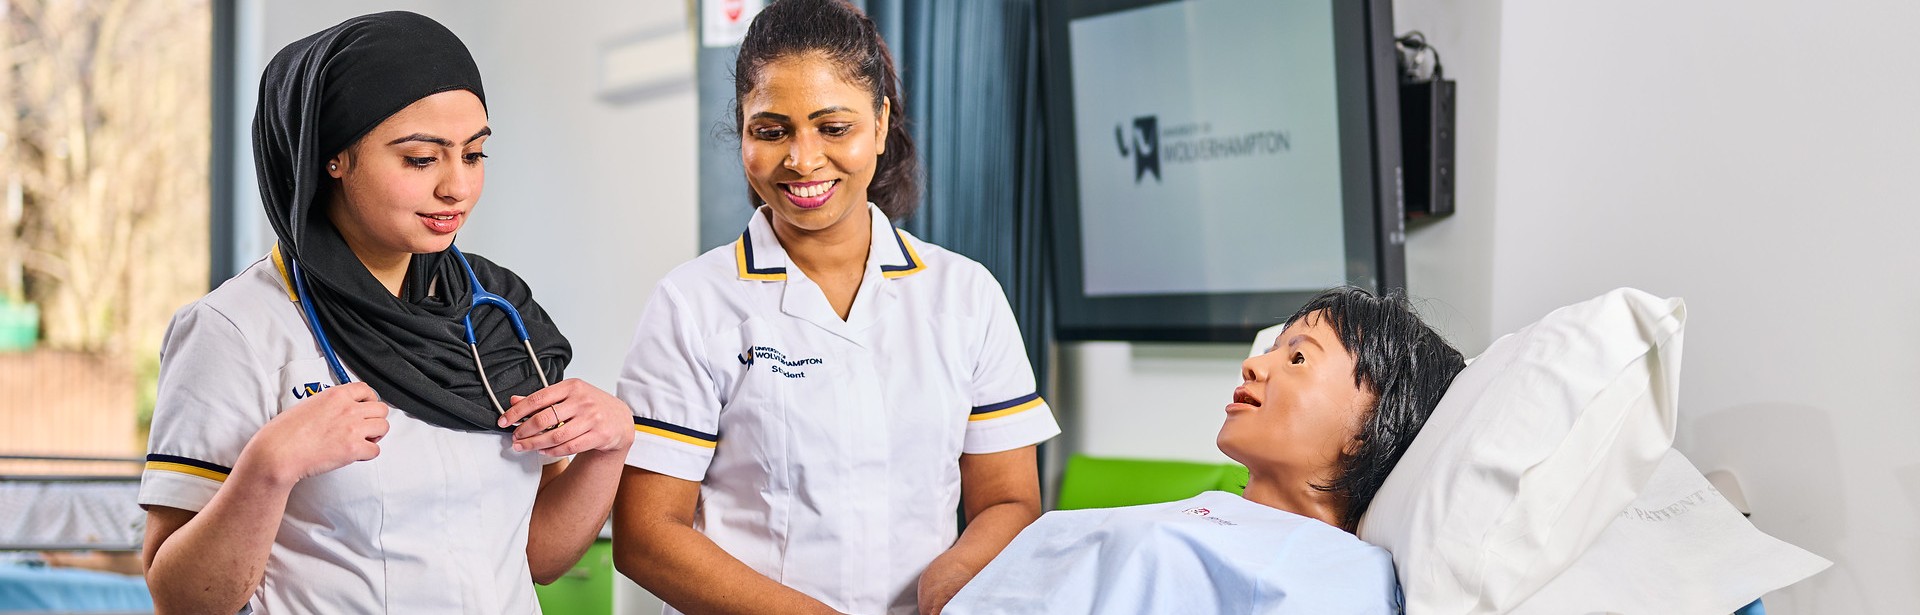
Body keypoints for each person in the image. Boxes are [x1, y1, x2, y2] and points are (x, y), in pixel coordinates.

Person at [138, 12, 633, 614]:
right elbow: (183, 601)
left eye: (474, 155)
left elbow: (537, 559)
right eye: (422, 159)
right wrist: (268, 470)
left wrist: (609, 448)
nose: (457, 188)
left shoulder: (499, 311)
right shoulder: (234, 329)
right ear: (332, 158)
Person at [610, 1, 1061, 613]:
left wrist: (951, 576)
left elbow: (1009, 502)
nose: (802, 159)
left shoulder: (965, 294)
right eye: (771, 131)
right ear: (742, 132)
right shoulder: (693, 303)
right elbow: (646, 537)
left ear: (879, 124)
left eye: (833, 127)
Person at [943, 287, 1467, 614]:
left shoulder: (1339, 573)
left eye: (1299, 358)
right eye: (1270, 350)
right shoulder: (1211, 514)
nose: (1255, 366)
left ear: (1369, 427)